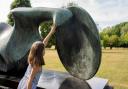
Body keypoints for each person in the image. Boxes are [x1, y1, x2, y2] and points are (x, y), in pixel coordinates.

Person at [17, 24, 56, 89]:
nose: (44, 49)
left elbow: (44, 43)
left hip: (23, 82)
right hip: (28, 86)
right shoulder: (37, 64)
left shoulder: (33, 58)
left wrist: (51, 32)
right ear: (40, 52)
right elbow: (30, 79)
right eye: (43, 49)